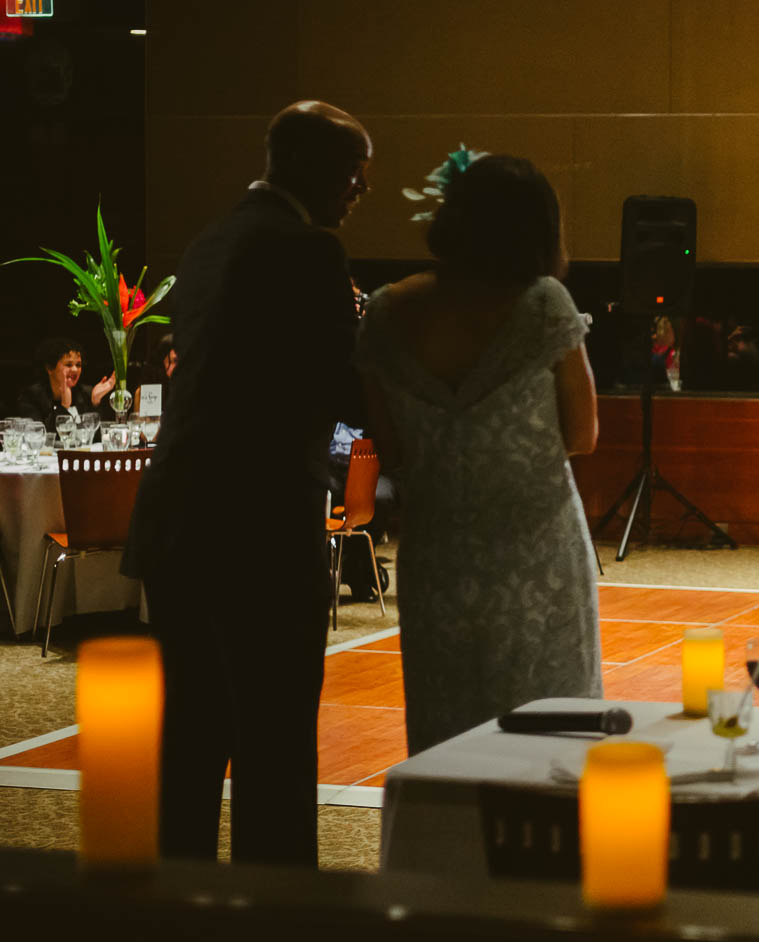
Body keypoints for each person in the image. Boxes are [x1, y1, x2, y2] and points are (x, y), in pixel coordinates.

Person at [124, 100, 371, 873]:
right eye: (355, 175)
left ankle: (182, 934)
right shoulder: (309, 251)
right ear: (314, 168)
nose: (359, 192)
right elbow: (350, 397)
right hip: (258, 530)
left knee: (192, 739)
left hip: (177, 522)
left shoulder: (209, 240)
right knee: (275, 744)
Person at [355, 153, 603, 755]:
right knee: (551, 728)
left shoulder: (388, 310)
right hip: (538, 555)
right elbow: (583, 434)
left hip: (439, 552)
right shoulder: (544, 304)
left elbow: (388, 444)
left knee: (450, 731)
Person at [15, 336, 111, 430]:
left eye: (78, 365)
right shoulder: (31, 397)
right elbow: (39, 437)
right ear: (49, 368)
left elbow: (99, 438)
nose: (75, 369)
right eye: (68, 365)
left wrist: (95, 403)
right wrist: (64, 407)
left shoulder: (86, 393)